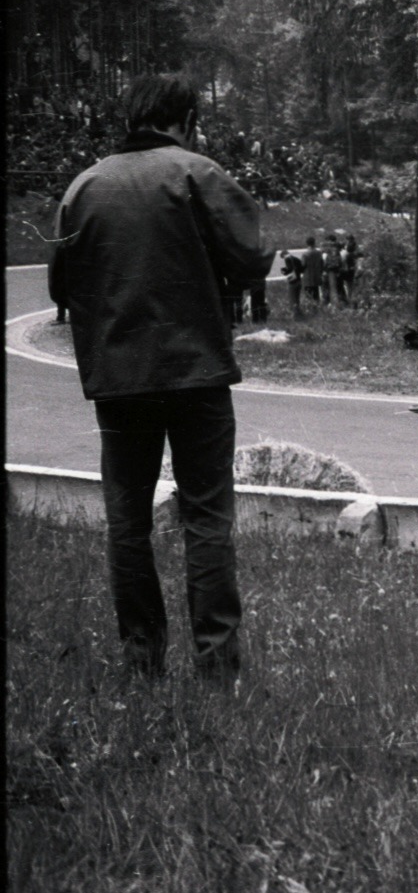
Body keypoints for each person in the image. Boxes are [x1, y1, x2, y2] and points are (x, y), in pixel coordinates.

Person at [48, 73, 273, 683]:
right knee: (206, 518)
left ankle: (142, 663)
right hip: (197, 371)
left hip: (118, 380)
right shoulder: (196, 173)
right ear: (186, 118)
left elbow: (59, 287)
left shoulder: (84, 186)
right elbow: (253, 259)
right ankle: (217, 668)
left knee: (127, 522)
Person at [300, 235, 324, 309]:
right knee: (316, 294)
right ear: (314, 243)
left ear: (307, 244)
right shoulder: (319, 253)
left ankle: (310, 308)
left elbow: (302, 265)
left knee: (308, 294)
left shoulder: (305, 254)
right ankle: (316, 307)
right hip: (317, 276)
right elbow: (322, 263)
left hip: (308, 276)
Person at [321, 235, 346, 307]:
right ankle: (343, 302)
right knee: (340, 286)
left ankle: (335, 304)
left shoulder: (327, 247)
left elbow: (323, 256)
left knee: (332, 287)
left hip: (330, 269)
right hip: (338, 269)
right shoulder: (338, 247)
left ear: (329, 240)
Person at [281, 248, 305, 318]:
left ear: (284, 255)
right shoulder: (296, 259)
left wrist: (284, 271)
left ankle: (295, 315)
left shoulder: (287, 259)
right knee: (297, 299)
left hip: (292, 281)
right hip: (299, 280)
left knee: (292, 298)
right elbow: (302, 268)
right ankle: (299, 313)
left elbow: (289, 269)